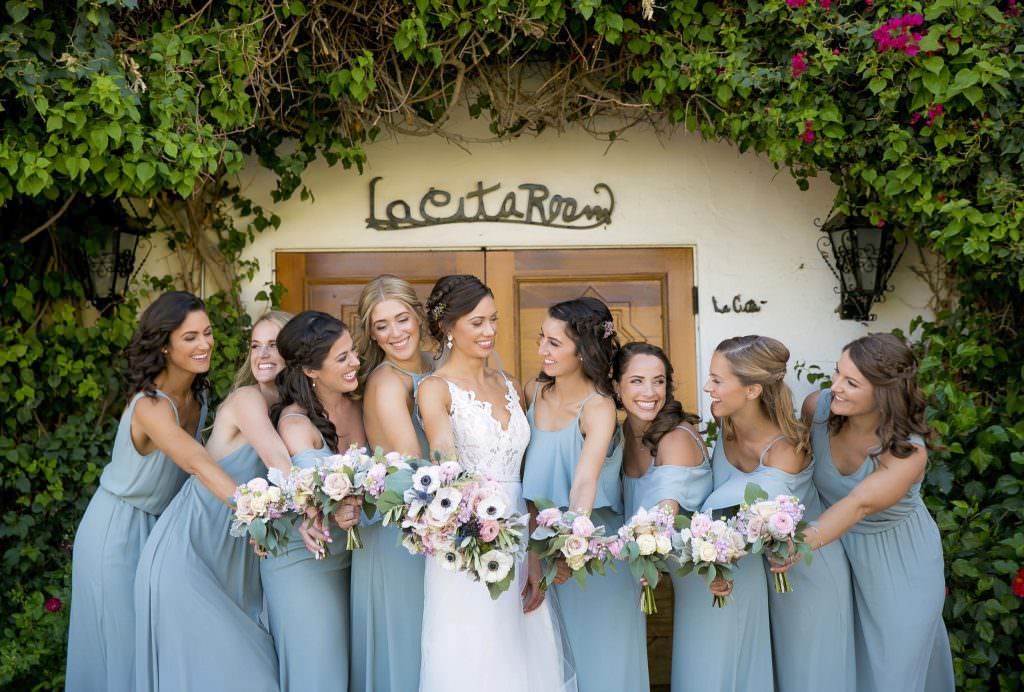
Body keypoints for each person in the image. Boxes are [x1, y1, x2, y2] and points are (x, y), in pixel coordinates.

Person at [65, 291, 239, 692]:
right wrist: (257, 510)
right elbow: (197, 463)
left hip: (164, 529)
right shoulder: (149, 405)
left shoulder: (200, 396)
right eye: (190, 337)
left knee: (162, 640)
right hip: (116, 531)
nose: (205, 344)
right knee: (122, 645)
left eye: (208, 333)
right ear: (164, 344)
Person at [416, 275, 575, 692]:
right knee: (475, 652)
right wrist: (478, 531)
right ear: (448, 327)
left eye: (493, 320)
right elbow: (444, 463)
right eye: (477, 322)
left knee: (524, 649)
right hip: (469, 538)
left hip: (520, 531)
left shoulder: (509, 386)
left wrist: (536, 550)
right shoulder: (434, 390)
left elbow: (528, 471)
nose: (490, 331)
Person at [133, 311, 297, 691]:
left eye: (273, 344)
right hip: (188, 555)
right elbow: (279, 462)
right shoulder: (246, 398)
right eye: (255, 345)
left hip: (234, 566)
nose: (262, 354)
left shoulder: (288, 410)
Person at [788, 333, 953, 691]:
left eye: (851, 382)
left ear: (884, 391)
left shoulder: (907, 451)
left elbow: (858, 504)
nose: (836, 388)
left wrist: (796, 543)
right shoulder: (817, 408)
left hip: (900, 565)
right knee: (844, 667)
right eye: (837, 374)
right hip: (837, 554)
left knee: (893, 672)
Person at [521, 298, 647, 691]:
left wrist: (568, 547)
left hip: (594, 552)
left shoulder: (600, 407)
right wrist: (536, 555)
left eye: (554, 343)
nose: (542, 350)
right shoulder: (533, 392)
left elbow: (584, 481)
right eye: (542, 339)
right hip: (538, 550)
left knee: (603, 668)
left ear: (584, 349)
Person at [259, 311, 364, 692]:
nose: (355, 362)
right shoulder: (295, 424)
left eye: (353, 352)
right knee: (318, 674)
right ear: (311, 371)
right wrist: (335, 506)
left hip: (355, 561)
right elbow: (304, 490)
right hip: (304, 564)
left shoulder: (359, 406)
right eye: (343, 358)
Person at [614, 342, 713, 692]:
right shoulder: (622, 436)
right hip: (661, 574)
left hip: (710, 579)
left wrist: (643, 556)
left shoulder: (675, 438)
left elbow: (663, 513)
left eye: (658, 381)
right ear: (617, 387)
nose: (649, 392)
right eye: (637, 381)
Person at [350, 275, 431, 691]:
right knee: (406, 644)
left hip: (436, 522)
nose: (396, 333)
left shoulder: (436, 367)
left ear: (418, 315)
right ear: (371, 332)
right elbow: (417, 465)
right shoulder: (385, 382)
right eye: (382, 326)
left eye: (402, 319)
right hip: (402, 528)